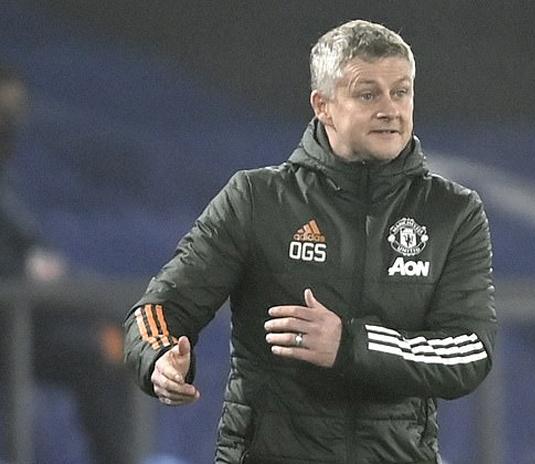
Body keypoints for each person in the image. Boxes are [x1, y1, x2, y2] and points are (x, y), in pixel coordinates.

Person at [123, 19, 498, 463]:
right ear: (323, 106)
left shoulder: (452, 212)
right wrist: (161, 358)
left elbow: (470, 351)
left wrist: (349, 344)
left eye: (401, 92)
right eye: (368, 94)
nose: (390, 109)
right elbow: (158, 310)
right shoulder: (255, 199)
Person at [0, 65, 130, 464]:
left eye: (15, 112)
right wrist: (24, 268)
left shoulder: (9, 189)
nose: (10, 124)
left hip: (30, 318)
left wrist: (42, 269)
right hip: (10, 321)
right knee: (98, 351)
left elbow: (35, 253)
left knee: (122, 338)